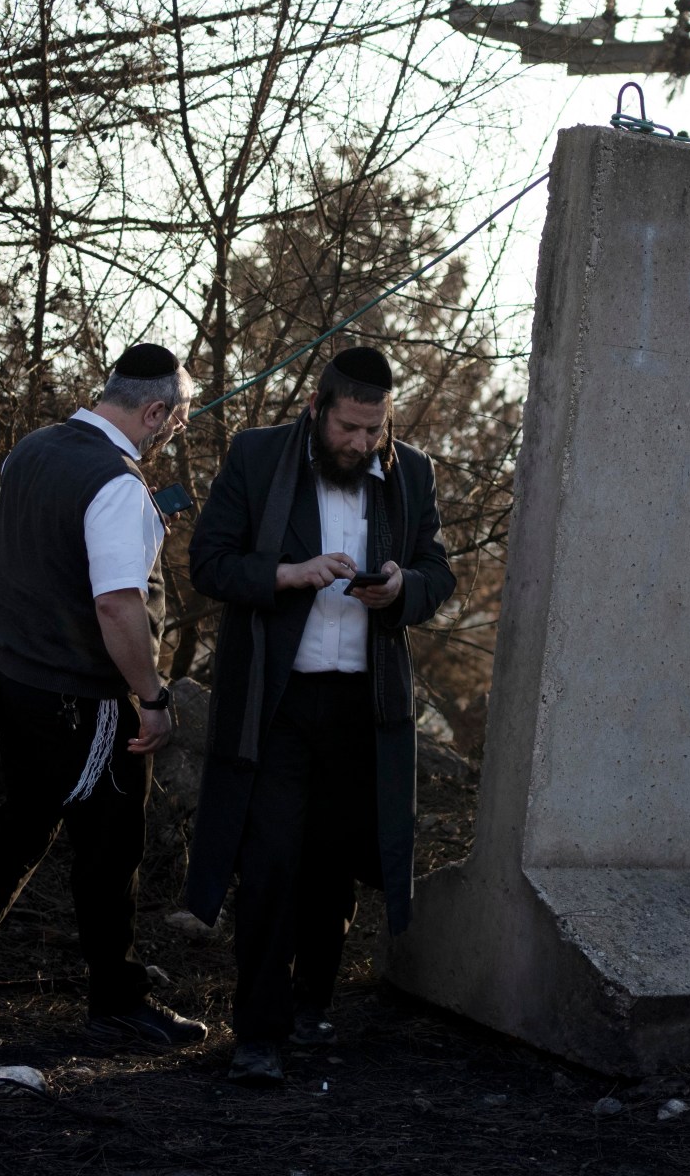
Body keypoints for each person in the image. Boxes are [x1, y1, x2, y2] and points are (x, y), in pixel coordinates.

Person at [0, 344, 209, 1048]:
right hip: (85, 700)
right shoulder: (117, 484)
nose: (175, 433)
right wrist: (151, 697)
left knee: (16, 834)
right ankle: (116, 1003)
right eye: (178, 420)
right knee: (111, 849)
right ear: (152, 410)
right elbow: (118, 609)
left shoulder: (33, 450)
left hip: (18, 683)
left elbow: (55, 555)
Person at [182, 347, 456, 1087]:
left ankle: (311, 1002)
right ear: (316, 408)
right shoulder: (257, 455)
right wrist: (287, 575)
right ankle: (259, 1033)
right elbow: (207, 562)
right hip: (277, 701)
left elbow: (439, 573)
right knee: (269, 862)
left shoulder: (413, 473)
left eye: (374, 429)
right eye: (349, 428)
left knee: (333, 867)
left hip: (364, 708)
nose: (363, 443)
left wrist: (402, 587)